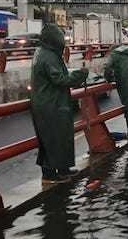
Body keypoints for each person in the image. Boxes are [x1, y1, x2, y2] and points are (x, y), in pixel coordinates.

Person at [30, 24, 89, 184]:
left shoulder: (44, 52)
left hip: (52, 102)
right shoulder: (48, 56)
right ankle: (49, 174)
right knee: (51, 138)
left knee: (60, 137)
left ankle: (62, 168)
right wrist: (80, 75)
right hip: (50, 104)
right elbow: (60, 79)